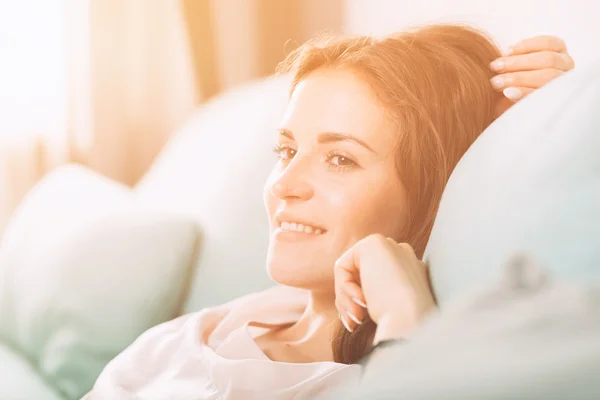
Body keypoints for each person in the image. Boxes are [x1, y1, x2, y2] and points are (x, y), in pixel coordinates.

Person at [82, 24, 574, 399]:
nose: (285, 185)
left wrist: (405, 319)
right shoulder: (218, 326)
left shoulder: (373, 375)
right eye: (286, 150)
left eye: (340, 159)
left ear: (432, 192)